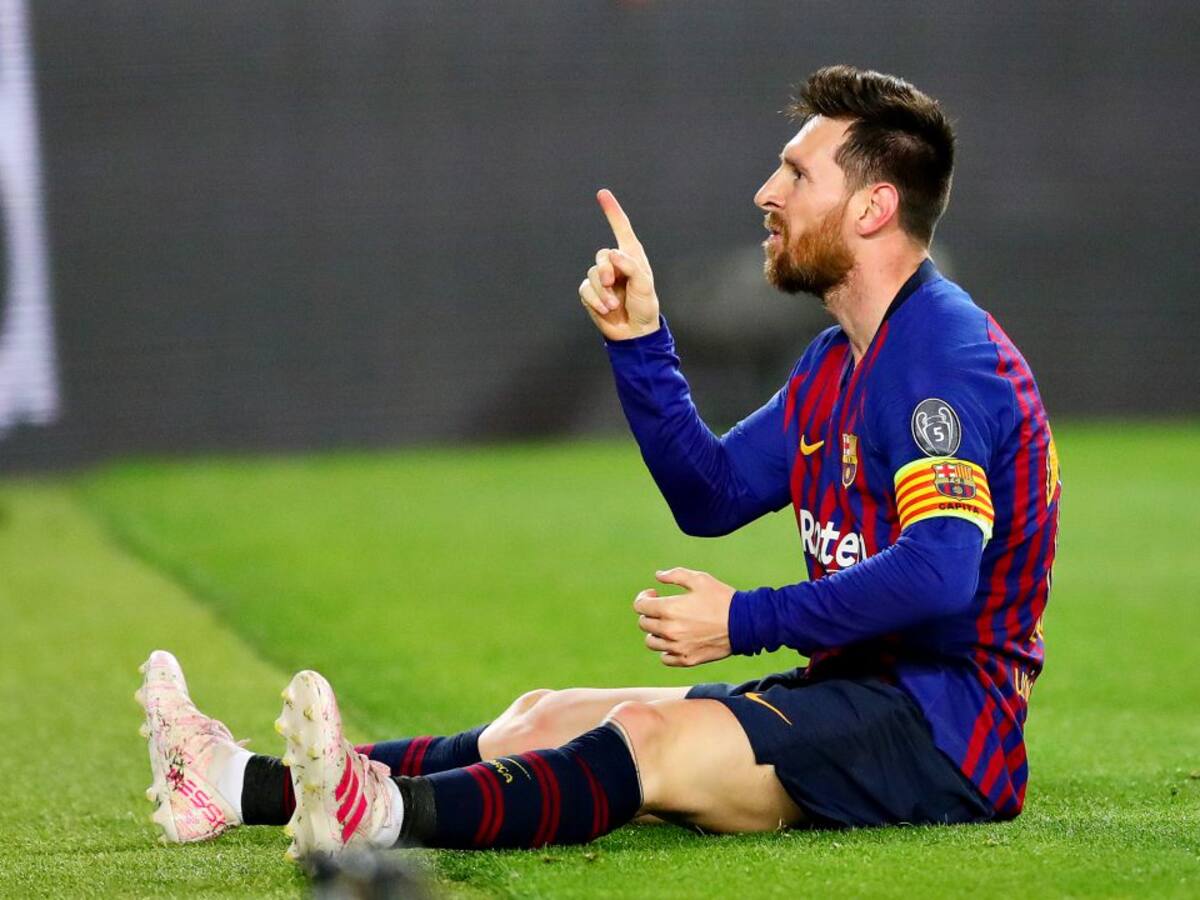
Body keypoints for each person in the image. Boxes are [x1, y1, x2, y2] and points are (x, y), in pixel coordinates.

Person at [138, 65, 1060, 858]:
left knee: (646, 736)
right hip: (858, 692)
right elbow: (713, 494)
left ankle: (377, 817)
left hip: (939, 731)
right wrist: (642, 345)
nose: (766, 192)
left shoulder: (940, 358)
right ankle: (231, 780)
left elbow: (941, 571)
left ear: (873, 206)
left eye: (795, 171)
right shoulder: (838, 361)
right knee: (543, 716)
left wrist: (745, 618)